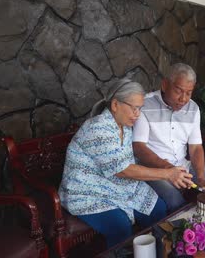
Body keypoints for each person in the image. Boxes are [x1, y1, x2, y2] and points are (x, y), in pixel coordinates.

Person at [59, 79, 193, 248]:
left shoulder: (125, 127)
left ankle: (156, 252)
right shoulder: (98, 128)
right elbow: (122, 170)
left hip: (120, 187)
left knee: (158, 209)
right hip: (88, 192)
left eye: (140, 108)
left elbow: (131, 160)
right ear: (115, 105)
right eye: (134, 108)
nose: (138, 114)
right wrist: (167, 173)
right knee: (120, 226)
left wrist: (167, 166)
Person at [132, 63, 205, 212]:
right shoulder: (145, 105)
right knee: (175, 200)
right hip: (156, 169)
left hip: (183, 166)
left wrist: (200, 178)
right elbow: (139, 147)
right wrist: (169, 170)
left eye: (189, 92)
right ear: (165, 85)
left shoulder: (193, 108)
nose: (183, 99)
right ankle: (186, 231)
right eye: (178, 91)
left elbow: (195, 146)